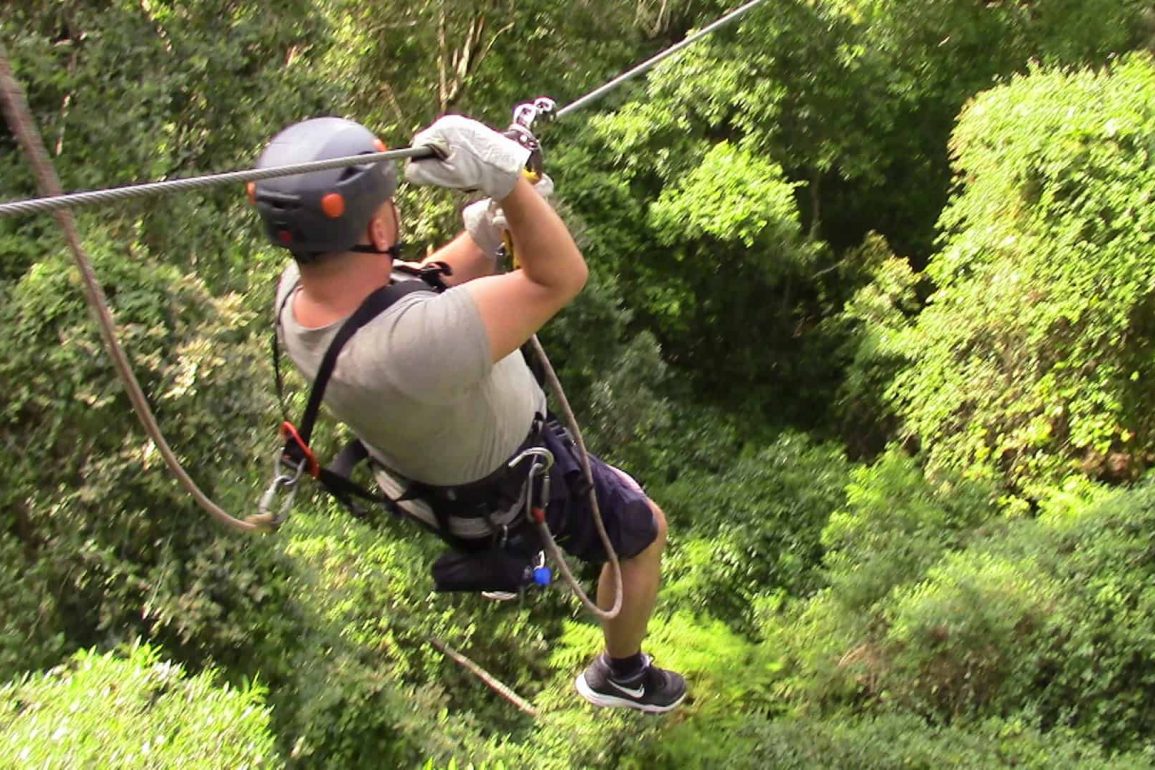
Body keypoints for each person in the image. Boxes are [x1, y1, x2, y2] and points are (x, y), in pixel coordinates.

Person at [251, 114, 686, 713]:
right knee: (644, 531)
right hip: (516, 475)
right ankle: (622, 673)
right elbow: (559, 277)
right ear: (379, 224)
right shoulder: (414, 346)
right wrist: (508, 184)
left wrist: (491, 227)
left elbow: (419, 284)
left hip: (435, 472)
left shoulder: (299, 295)